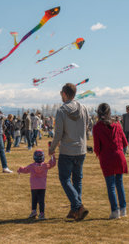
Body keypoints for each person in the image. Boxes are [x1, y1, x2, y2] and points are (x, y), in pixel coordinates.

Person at [49, 83, 89, 221]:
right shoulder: (83, 108)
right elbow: (87, 125)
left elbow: (58, 133)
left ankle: (78, 206)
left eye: (61, 93)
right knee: (77, 179)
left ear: (65, 94)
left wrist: (52, 148)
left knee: (64, 179)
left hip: (67, 149)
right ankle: (75, 210)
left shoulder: (61, 111)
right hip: (81, 149)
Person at [93, 103, 128, 219]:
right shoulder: (117, 125)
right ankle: (123, 209)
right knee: (119, 183)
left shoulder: (97, 127)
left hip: (107, 157)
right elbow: (125, 142)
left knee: (111, 186)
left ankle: (114, 211)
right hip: (119, 156)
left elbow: (97, 147)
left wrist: (98, 154)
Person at [18, 148, 56, 220]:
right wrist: (53, 155)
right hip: (42, 186)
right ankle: (42, 213)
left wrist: (20, 169)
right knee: (41, 200)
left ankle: (34, 211)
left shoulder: (31, 166)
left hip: (34, 186)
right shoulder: (45, 166)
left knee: (34, 199)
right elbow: (52, 163)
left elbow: (25, 170)